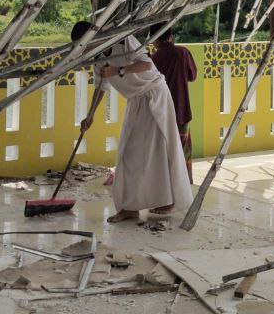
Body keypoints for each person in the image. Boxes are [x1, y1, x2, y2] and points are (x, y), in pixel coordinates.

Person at [71, 20, 193, 223]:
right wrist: (90, 114)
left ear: (93, 37)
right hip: (136, 100)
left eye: (84, 44)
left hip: (155, 94)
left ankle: (169, 200)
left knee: (161, 149)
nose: (84, 48)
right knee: (127, 153)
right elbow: (101, 86)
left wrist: (118, 72)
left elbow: (146, 63)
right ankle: (130, 208)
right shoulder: (98, 58)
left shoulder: (124, 41)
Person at [150, 27, 198, 183]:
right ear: (171, 36)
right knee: (183, 150)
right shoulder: (183, 53)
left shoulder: (153, 59)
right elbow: (192, 76)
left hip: (161, 111)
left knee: (165, 152)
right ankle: (184, 185)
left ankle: (167, 190)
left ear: (154, 39)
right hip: (182, 109)